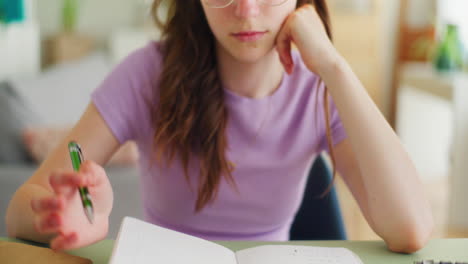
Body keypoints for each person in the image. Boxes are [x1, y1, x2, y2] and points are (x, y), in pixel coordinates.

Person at [6, 0, 433, 253]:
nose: (245, 11)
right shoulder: (146, 75)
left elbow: (410, 229)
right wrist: (72, 218)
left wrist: (335, 67)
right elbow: (21, 209)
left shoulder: (318, 87)